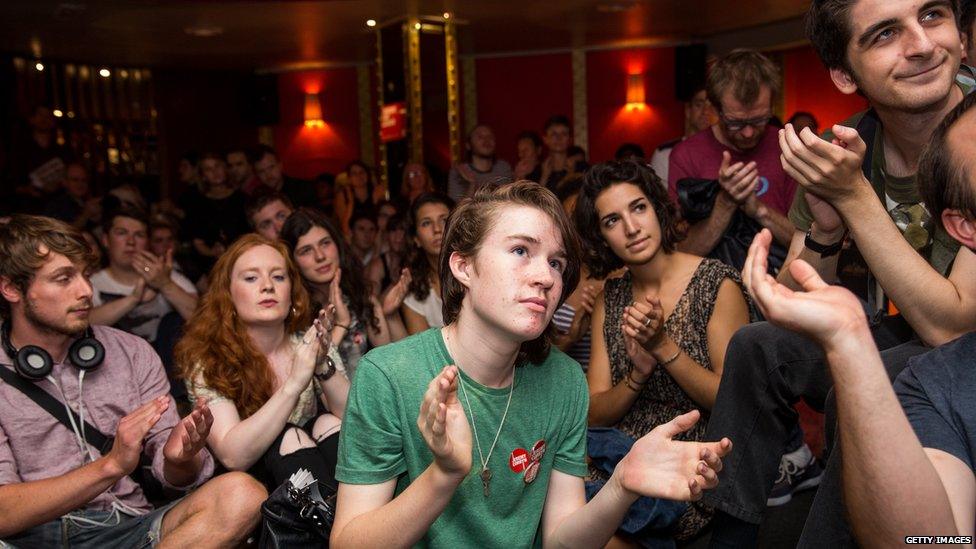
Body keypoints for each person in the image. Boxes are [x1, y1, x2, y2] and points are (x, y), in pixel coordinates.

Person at [703, 1, 976, 546]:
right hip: (901, 330)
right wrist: (827, 226)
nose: (920, 45)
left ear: (962, 37)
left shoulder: (972, 137)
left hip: (957, 341)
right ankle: (728, 534)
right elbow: (790, 299)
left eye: (931, 16)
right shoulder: (851, 143)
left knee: (885, 376)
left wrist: (854, 197)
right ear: (844, 74)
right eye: (883, 35)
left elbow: (954, 327)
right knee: (760, 345)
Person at [330, 181, 733, 548]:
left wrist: (621, 485)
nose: (545, 277)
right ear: (463, 266)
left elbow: (562, 541)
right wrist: (444, 475)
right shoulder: (389, 374)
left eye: (557, 263)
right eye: (521, 251)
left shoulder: (562, 379)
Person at [0, 215, 265, 547]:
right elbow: (3, 513)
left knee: (243, 493)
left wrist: (178, 458)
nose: (85, 291)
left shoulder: (130, 352)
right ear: (11, 288)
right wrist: (111, 466)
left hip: (128, 527)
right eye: (63, 278)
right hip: (35, 538)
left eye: (84, 275)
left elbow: (176, 478)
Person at [576, 161, 753, 544]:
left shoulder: (716, 284)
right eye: (612, 221)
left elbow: (733, 399)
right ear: (601, 237)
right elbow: (594, 411)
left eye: (638, 208)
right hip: (617, 452)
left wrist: (662, 346)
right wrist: (637, 376)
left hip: (691, 456)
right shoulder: (611, 297)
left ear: (657, 208)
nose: (631, 228)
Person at [176, 234, 348, 493]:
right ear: (228, 295)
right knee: (289, 435)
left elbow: (355, 422)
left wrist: (322, 364)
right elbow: (233, 456)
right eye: (251, 278)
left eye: (278, 277)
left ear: (292, 294)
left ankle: (352, 522)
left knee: (328, 424)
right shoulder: (208, 358)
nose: (268, 286)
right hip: (254, 489)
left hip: (318, 467)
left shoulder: (310, 340)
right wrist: (293, 385)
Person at [668, 50, 797, 271]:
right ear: (716, 109)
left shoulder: (788, 146)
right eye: (735, 123)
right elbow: (682, 253)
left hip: (783, 283)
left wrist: (758, 210)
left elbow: (808, 245)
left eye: (759, 120)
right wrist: (726, 202)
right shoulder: (686, 155)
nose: (748, 133)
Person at [280, 208, 398, 378]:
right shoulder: (293, 313)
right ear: (293, 261)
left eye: (325, 243)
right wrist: (342, 325)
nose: (320, 256)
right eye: (306, 250)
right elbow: (305, 384)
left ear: (337, 244)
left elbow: (389, 362)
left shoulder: (361, 296)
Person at [89, 209, 198, 348]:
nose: (130, 242)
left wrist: (165, 284)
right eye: (121, 233)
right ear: (105, 240)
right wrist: (134, 299)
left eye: (139, 235)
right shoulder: (92, 283)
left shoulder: (162, 275)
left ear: (147, 243)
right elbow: (81, 325)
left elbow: (203, 320)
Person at [402, 193, 454, 334]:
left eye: (444, 220)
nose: (437, 229)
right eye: (426, 223)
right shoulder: (414, 293)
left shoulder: (478, 273)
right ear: (416, 239)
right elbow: (423, 353)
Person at [650, 87, 715, 189]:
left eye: (711, 106)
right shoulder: (665, 153)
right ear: (688, 111)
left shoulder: (725, 152)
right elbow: (658, 200)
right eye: (699, 105)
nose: (705, 112)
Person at [447, 124, 514, 202]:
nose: (486, 140)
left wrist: (520, 177)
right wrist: (472, 184)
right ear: (468, 145)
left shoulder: (503, 167)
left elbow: (511, 200)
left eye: (490, 137)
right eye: (480, 137)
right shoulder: (459, 171)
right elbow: (456, 210)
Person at [251, 145, 318, 208]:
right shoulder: (257, 199)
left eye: (271, 167)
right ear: (257, 175)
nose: (268, 175)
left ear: (280, 165)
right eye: (261, 171)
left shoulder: (304, 189)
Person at [333, 160, 386, 238]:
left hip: (374, 236)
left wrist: (375, 202)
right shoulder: (343, 194)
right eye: (354, 173)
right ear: (349, 178)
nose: (359, 176)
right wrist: (351, 203)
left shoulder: (375, 192)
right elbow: (344, 226)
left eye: (361, 172)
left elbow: (382, 222)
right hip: (351, 237)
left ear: (367, 175)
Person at [540, 115, 574, 191]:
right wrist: (544, 178)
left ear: (570, 139)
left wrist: (572, 176)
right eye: (554, 134)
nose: (559, 138)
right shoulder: (536, 171)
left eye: (564, 134)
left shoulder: (581, 168)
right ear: (545, 139)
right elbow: (533, 201)